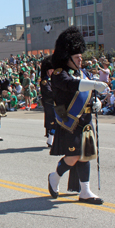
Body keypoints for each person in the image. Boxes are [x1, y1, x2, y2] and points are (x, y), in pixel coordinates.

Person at [47, 26, 108, 205]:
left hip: (86, 121)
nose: (80, 59)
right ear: (68, 58)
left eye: (81, 56)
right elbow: (71, 85)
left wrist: (98, 103)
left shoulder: (84, 73)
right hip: (69, 121)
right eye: (77, 57)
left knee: (86, 155)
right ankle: (55, 176)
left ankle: (85, 191)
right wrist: (94, 84)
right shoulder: (60, 74)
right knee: (73, 156)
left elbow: (89, 94)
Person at [40, 56, 56, 147]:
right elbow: (49, 92)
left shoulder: (54, 80)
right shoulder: (44, 82)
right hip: (49, 103)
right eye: (50, 70)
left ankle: (53, 139)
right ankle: (50, 140)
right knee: (52, 121)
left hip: (55, 103)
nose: (52, 72)